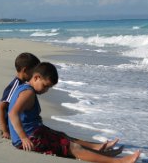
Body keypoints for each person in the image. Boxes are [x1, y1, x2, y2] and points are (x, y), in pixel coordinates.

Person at [8, 62, 140, 163]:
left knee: (63, 136)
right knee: (71, 147)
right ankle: (119, 162)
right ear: (36, 77)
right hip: (29, 139)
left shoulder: (25, 88)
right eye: (45, 86)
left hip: (34, 133)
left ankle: (101, 153)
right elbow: (12, 113)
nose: (46, 90)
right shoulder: (28, 93)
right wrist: (23, 138)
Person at [0, 52, 40, 139]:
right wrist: (4, 130)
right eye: (34, 72)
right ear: (25, 70)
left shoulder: (23, 85)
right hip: (11, 127)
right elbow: (1, 107)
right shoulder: (16, 85)